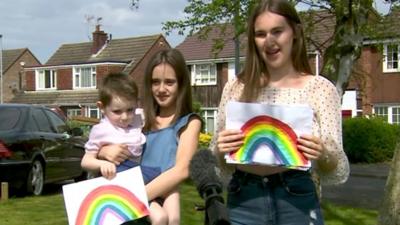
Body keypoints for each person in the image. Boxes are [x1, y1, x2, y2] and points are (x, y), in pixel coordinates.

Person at [211, 0, 350, 225]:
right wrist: (220, 149)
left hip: (296, 198)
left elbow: (338, 169)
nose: (270, 41)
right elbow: (219, 162)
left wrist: (322, 152)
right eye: (261, 34)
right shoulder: (236, 87)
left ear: (295, 32)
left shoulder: (321, 89)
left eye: (277, 31)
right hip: (244, 198)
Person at [97, 49, 202, 225]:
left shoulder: (189, 122)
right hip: (132, 198)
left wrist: (136, 196)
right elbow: (104, 138)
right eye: (155, 82)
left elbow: (182, 170)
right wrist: (104, 151)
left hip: (156, 199)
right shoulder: (138, 118)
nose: (161, 89)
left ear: (181, 84)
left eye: (169, 82)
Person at [81, 72, 160, 183]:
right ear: (101, 107)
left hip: (138, 169)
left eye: (130, 110)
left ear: (136, 104)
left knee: (164, 181)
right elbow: (86, 161)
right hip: (115, 172)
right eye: (117, 111)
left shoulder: (138, 118)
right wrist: (103, 164)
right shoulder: (101, 130)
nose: (125, 117)